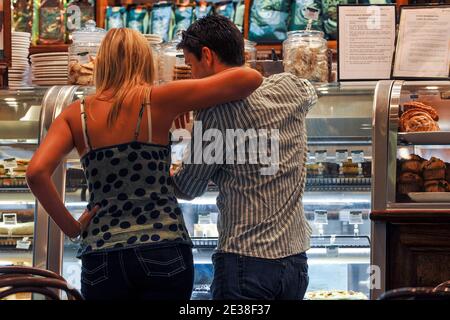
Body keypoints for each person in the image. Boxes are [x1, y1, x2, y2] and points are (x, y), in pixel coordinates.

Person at [26, 27, 262, 300]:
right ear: (145, 60)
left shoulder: (74, 114)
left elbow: (35, 173)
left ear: (102, 63)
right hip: (163, 247)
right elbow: (249, 78)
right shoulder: (159, 99)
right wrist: (180, 103)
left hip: (102, 254)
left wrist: (71, 227)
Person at [173, 15, 318, 300]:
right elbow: (311, 92)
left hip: (245, 262)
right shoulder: (290, 88)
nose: (190, 77)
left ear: (207, 56)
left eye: (190, 66)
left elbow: (188, 188)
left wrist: (163, 173)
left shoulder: (214, 112)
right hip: (295, 264)